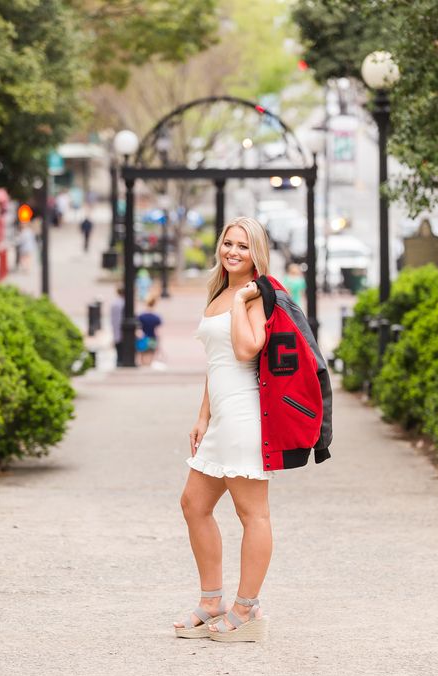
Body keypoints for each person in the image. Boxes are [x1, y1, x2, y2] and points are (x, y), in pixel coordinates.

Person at [174, 216, 332, 643]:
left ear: (256, 252)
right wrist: (202, 415)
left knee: (252, 513)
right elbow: (215, 363)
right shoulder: (220, 290)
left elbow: (246, 349)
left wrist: (245, 299)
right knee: (193, 503)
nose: (233, 252)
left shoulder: (256, 293)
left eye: (243, 246)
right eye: (228, 243)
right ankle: (212, 601)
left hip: (247, 415)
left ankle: (247, 608)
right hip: (221, 416)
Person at [136, 293, 163, 366]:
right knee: (151, 356)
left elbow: (138, 329)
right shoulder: (156, 317)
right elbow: (157, 330)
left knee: (142, 355)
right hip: (152, 338)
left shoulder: (141, 316)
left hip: (143, 338)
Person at [110, 286, 125, 367]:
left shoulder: (115, 303)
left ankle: (119, 362)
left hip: (116, 330)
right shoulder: (123, 303)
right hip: (122, 330)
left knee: (118, 350)